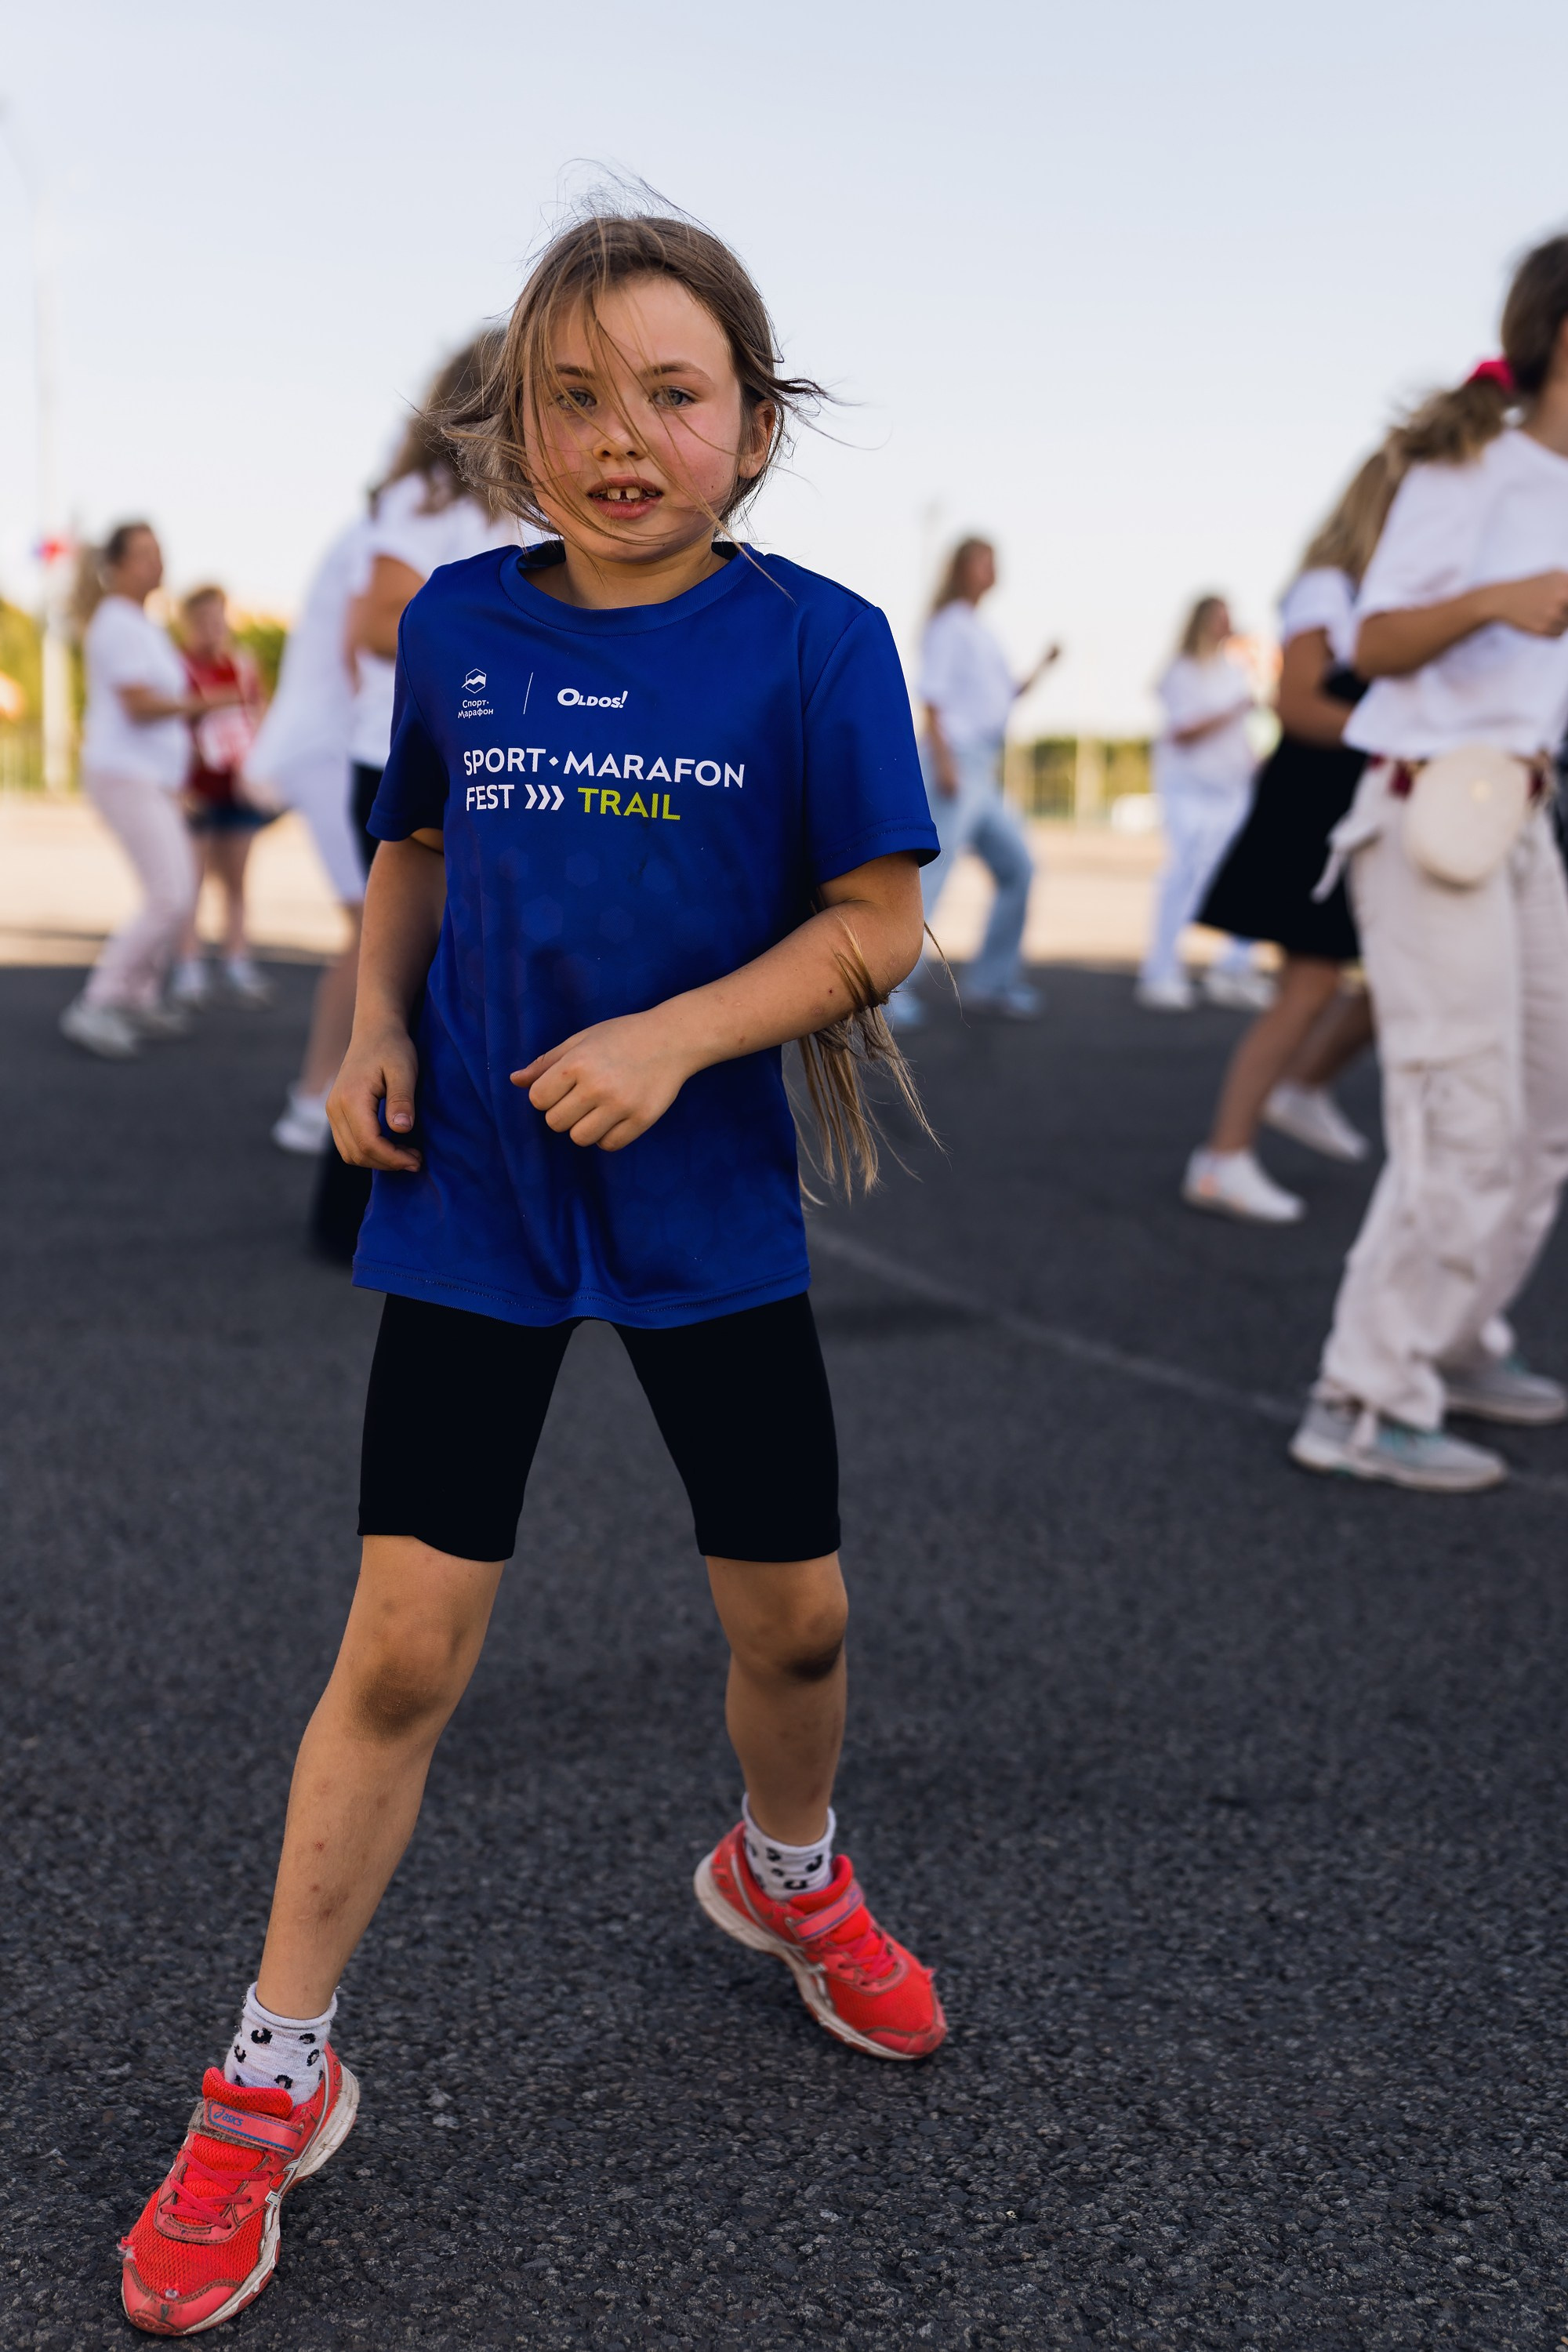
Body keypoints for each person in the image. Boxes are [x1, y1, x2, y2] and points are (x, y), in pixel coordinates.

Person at [118, 204, 948, 2337]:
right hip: (481, 1199)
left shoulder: (818, 639)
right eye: (572, 395)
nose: (619, 435)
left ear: (752, 426)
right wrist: (379, 1026)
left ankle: (785, 1873)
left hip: (704, 1211)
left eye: (670, 394)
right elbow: (414, 850)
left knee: (798, 1622)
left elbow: (880, 922)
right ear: (518, 426)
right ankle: (274, 2071)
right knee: (400, 1649)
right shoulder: (466, 627)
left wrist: (677, 1039)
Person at [1291, 233, 1568, 1493]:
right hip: (1425, 813)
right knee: (1463, 1115)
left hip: (1521, 825)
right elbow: (1378, 639)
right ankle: (1361, 1396)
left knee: (1542, 1121)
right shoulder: (1470, 468)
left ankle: (1451, 1345)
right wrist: (1497, 599)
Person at [307, 336, 528, 1248]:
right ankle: (348, 1206)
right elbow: (378, 619)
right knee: (402, 976)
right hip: (402, 760)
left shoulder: (510, 504)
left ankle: (411, 1195)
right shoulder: (425, 497)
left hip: (482, 764)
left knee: (448, 969)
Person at [1182, 449, 1404, 1221]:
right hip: (1312, 809)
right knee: (1307, 987)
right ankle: (1221, 1157)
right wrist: (1403, 732)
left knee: (1392, 970)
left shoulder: (1383, 598)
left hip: (1355, 807)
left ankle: (1303, 1087)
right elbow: (1299, 704)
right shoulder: (1325, 587)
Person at [60, 524, 241, 1059]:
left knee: (174, 888)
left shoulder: (140, 623)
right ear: (115, 565)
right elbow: (139, 705)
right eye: (144, 554)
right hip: (125, 772)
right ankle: (99, 1001)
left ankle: (135, 998)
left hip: (151, 778)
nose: (157, 563)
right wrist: (207, 703)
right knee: (171, 891)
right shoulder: (117, 624)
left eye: (159, 552)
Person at [887, 535, 1059, 1026]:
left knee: (1019, 868)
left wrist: (1043, 668)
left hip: (982, 766)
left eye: (992, 561)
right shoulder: (949, 626)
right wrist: (944, 763)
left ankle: (992, 983)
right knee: (929, 878)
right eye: (981, 561)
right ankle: (889, 990)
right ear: (960, 570)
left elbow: (1003, 699)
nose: (990, 569)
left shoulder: (982, 631)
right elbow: (934, 702)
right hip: (954, 761)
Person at [245, 516, 376, 1152]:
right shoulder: (396, 526)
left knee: (376, 931)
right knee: (376, 931)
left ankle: (319, 1094)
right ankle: (313, 1099)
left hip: (331, 745)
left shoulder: (385, 523)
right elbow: (363, 641)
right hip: (331, 748)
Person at [1135, 595, 1269, 1012]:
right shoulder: (1181, 671)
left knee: (1248, 875)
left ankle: (1234, 968)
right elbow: (1185, 731)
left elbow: (1241, 734)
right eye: (1221, 617)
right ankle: (1161, 971)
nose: (1228, 624)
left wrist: (1256, 763)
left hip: (1232, 789)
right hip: (1188, 791)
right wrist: (1236, 709)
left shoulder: (1233, 670)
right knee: (1184, 873)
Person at [170, 586, 273, 1009]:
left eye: (219, 618)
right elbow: (170, 724)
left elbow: (262, 717)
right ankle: (189, 963)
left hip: (238, 786)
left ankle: (236, 957)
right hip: (196, 788)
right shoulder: (178, 668)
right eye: (204, 620)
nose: (213, 627)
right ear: (190, 623)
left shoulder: (243, 666)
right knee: (189, 880)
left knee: (236, 879)